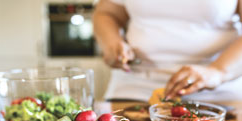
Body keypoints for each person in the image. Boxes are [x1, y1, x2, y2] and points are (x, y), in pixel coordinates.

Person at [93, 0, 242, 100]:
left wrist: (217, 71)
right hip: (133, 90)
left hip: (219, 98)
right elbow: (107, 13)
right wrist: (112, 43)